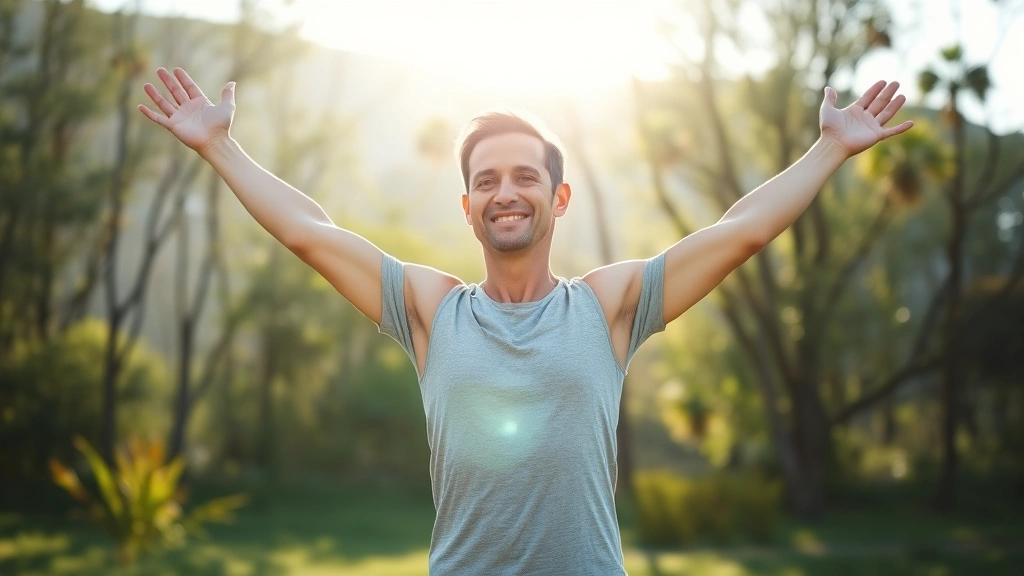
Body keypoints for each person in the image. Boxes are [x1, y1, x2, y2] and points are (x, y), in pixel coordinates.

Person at [139, 67, 913, 575]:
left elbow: (737, 232)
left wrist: (829, 151)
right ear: (468, 207)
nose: (505, 191)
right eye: (485, 181)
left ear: (559, 197)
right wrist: (220, 147)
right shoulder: (431, 310)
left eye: (523, 176)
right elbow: (311, 232)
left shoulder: (607, 307)